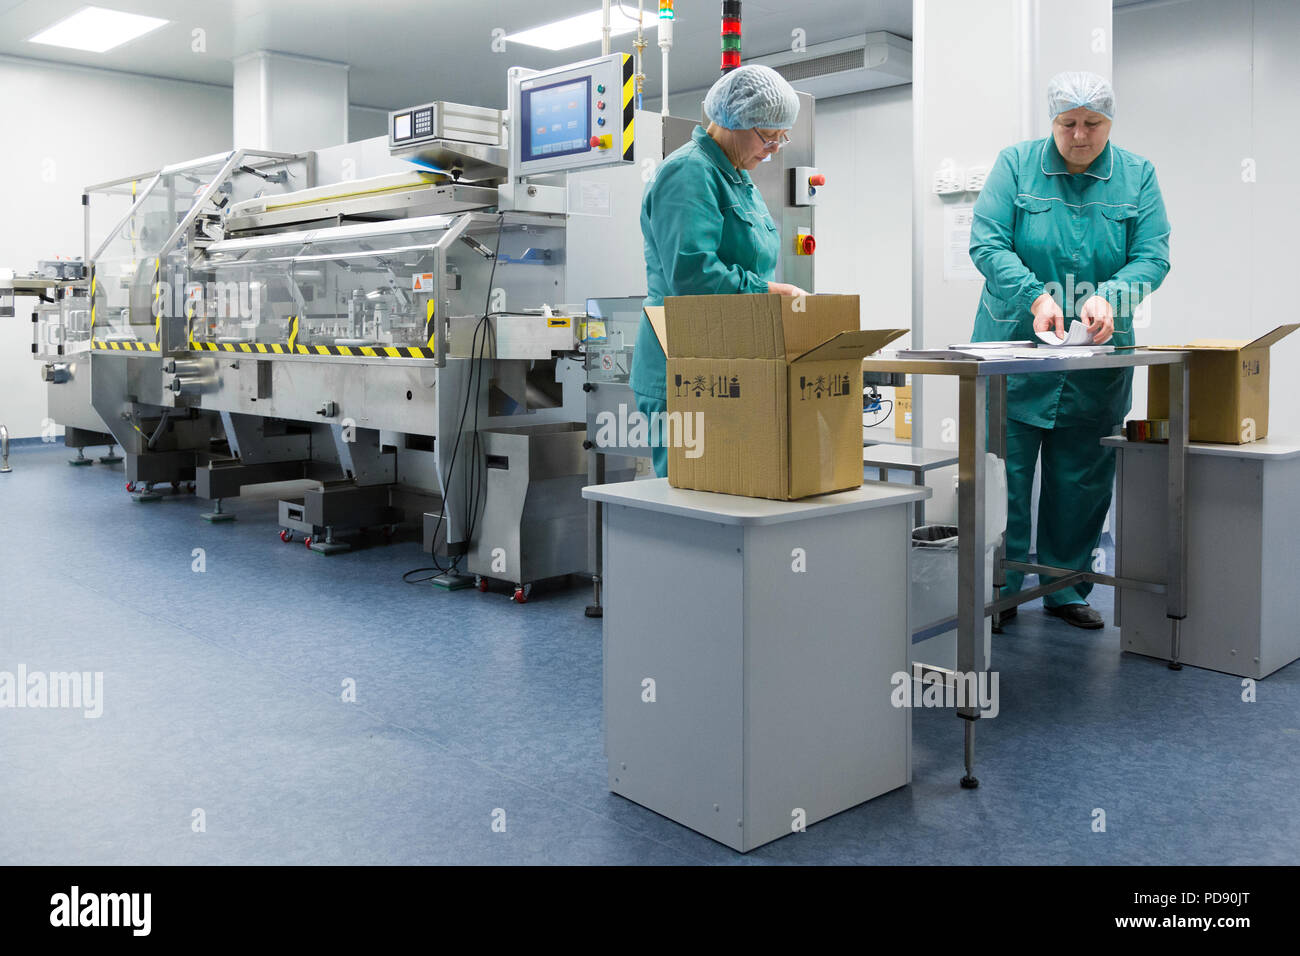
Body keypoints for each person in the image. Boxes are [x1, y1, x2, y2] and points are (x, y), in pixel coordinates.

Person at [969, 71, 1171, 629]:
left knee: (1081, 478)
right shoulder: (1016, 164)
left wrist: (1112, 297)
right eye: (1068, 124)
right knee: (1003, 474)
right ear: (1052, 121)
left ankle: (1065, 588)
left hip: (1097, 362)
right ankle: (998, 589)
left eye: (1093, 124)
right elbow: (986, 242)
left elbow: (1152, 256)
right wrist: (1034, 298)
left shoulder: (1137, 175)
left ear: (1110, 122)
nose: (1080, 135)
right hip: (1014, 348)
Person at [629, 64, 806, 477]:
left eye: (783, 136)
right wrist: (768, 294)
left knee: (729, 490)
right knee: (694, 495)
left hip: (722, 359)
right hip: (682, 365)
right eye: (769, 135)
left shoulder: (736, 177)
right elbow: (693, 274)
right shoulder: (689, 172)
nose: (776, 147)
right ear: (733, 120)